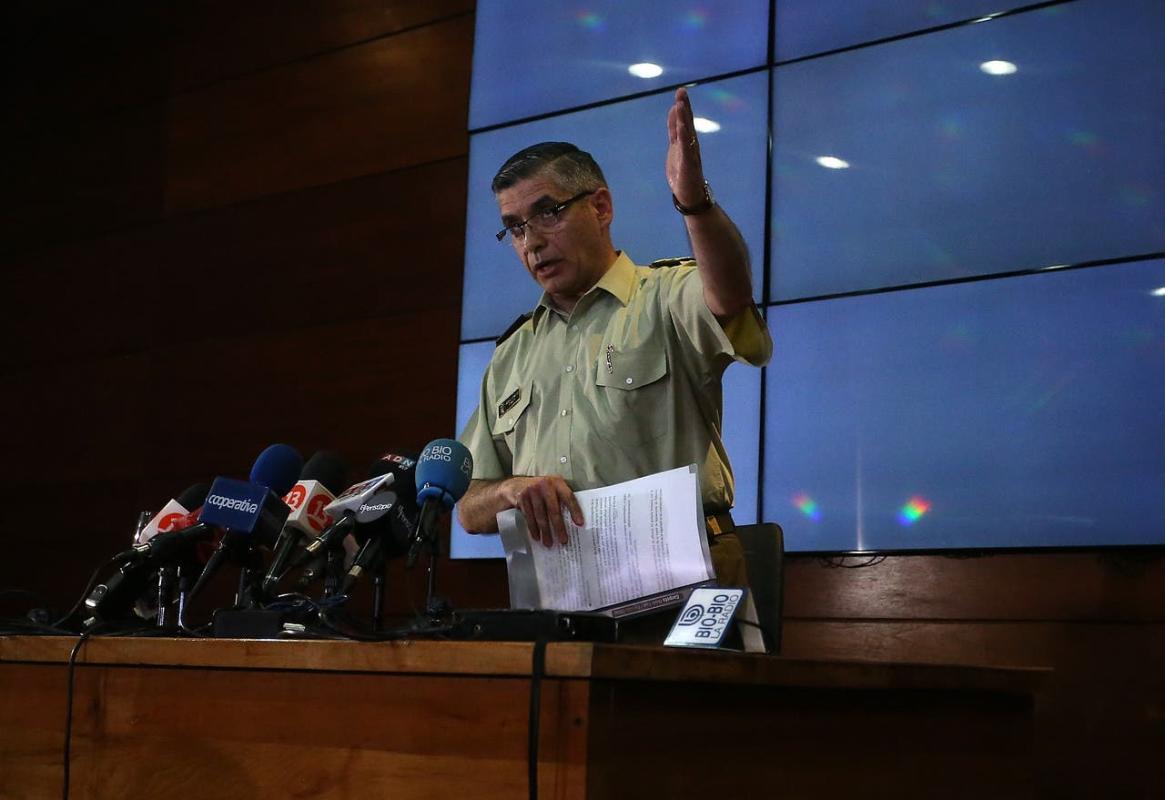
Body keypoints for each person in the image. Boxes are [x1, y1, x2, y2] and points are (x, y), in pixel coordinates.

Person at [457, 88, 772, 586]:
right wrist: (510, 491)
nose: (531, 242)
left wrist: (693, 204)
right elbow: (468, 506)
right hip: (563, 589)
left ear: (601, 207)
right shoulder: (510, 355)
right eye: (514, 228)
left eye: (547, 213)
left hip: (683, 573)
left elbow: (731, 295)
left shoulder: (664, 297)